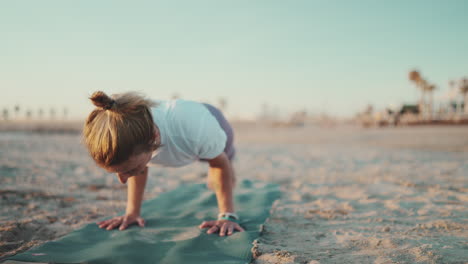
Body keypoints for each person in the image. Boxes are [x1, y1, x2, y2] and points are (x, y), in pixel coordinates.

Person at [82, 91, 244, 237]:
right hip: (181, 135)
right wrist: (132, 213)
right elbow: (138, 169)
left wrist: (227, 216)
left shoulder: (197, 130)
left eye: (128, 170)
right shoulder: (132, 132)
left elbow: (219, 164)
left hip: (213, 120)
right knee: (136, 166)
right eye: (119, 172)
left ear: (154, 137)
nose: (122, 180)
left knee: (221, 163)